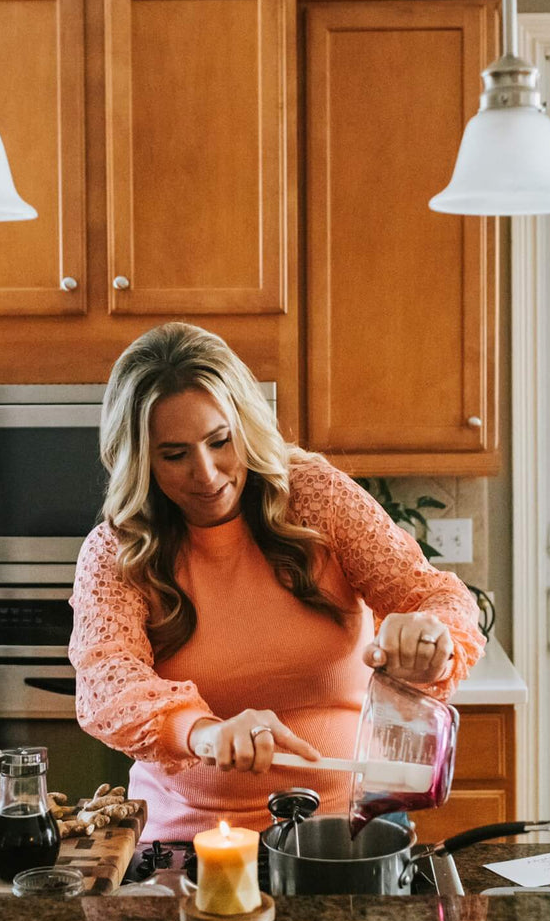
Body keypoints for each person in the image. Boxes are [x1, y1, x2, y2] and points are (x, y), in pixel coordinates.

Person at [69, 322, 486, 840]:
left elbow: (435, 594)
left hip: (347, 825)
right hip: (188, 837)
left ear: (245, 424)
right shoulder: (116, 551)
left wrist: (432, 637)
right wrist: (204, 732)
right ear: (139, 460)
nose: (207, 474)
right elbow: (106, 681)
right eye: (173, 455)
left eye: (220, 441)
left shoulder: (316, 497)